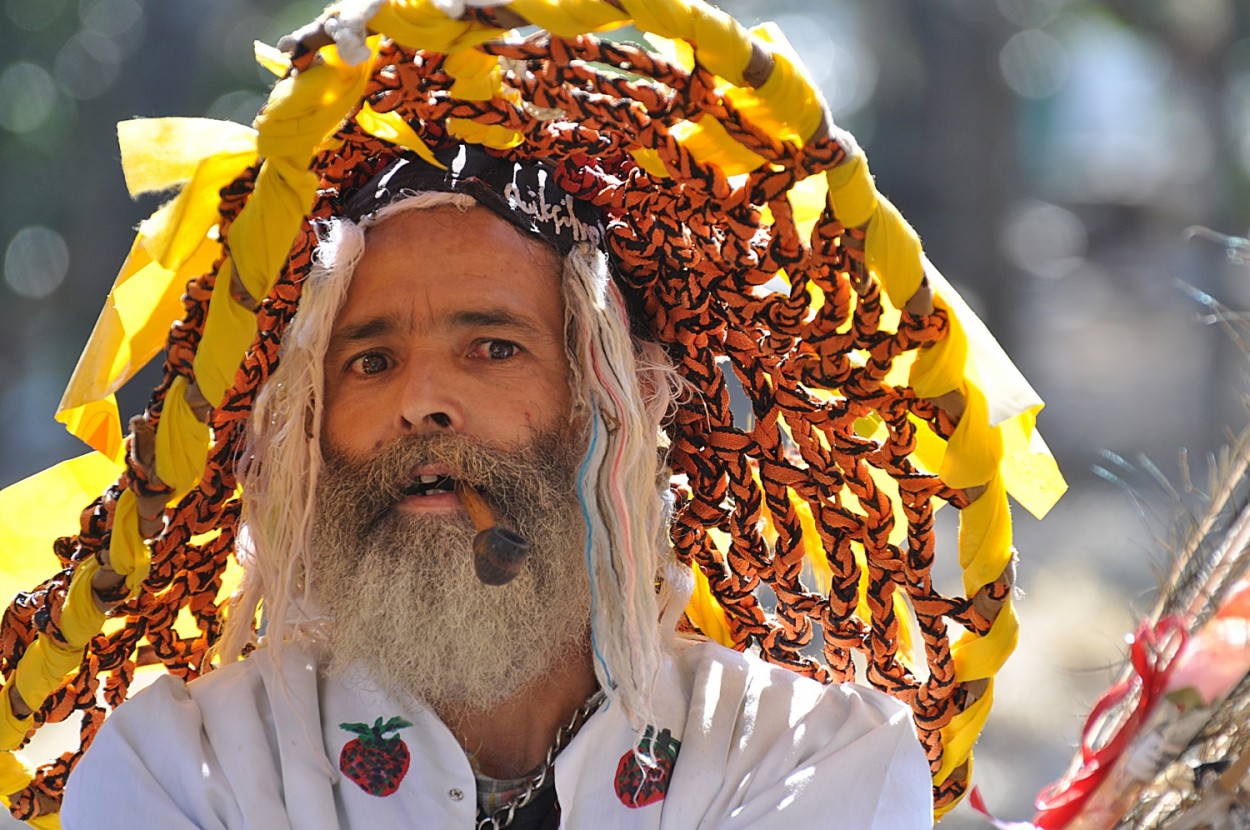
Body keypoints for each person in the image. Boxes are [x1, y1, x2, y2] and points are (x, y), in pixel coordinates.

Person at [0, 2, 1065, 826]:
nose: (420, 398)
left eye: (491, 346)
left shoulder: (803, 754)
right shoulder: (184, 766)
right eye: (369, 360)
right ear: (310, 433)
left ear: (605, 404)